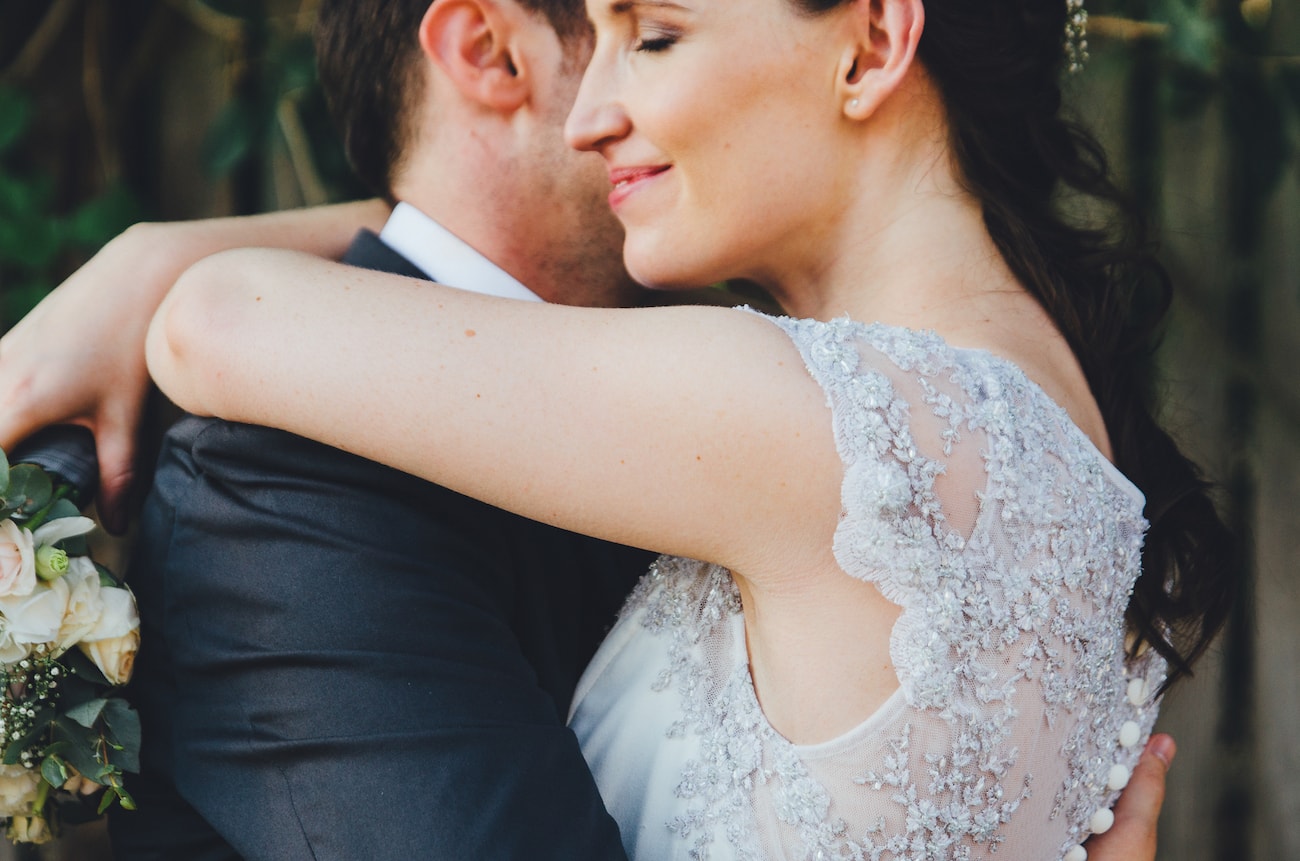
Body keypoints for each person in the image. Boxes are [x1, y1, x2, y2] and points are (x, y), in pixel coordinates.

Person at [142, 0, 1236, 858]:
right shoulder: (1067, 438)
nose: (587, 117)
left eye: (654, 36)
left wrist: (142, 263)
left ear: (870, 47)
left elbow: (215, 317)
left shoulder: (809, 418)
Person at [2, 0, 663, 858]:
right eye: (655, 34)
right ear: (491, 52)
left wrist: (153, 256)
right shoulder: (282, 484)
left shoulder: (720, 354)